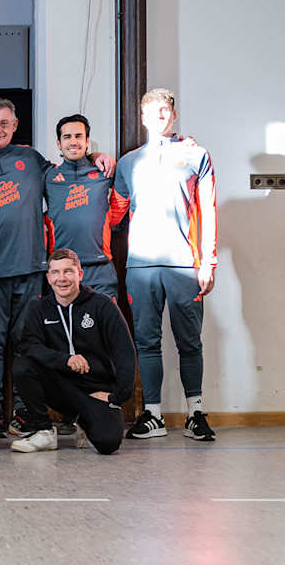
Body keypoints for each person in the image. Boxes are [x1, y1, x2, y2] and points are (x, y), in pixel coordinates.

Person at [0, 99, 112, 433]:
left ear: (15, 125)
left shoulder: (31, 159)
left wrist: (96, 156)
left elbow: (70, 166)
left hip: (31, 269)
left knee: (26, 344)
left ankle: (25, 414)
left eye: (5, 123)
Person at [115, 88, 218, 441]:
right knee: (146, 341)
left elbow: (209, 210)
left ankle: (195, 413)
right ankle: (153, 415)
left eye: (165, 111)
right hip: (140, 266)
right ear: (142, 118)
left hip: (183, 264)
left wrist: (208, 261)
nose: (159, 117)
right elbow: (114, 211)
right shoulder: (127, 163)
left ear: (172, 115)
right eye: (152, 112)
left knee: (190, 342)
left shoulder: (195, 154)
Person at [13, 250, 135, 455]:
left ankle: (84, 420)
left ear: (80, 274)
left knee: (108, 443)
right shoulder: (38, 308)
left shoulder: (102, 304)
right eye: (56, 272)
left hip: (96, 390)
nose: (62, 278)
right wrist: (66, 360)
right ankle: (43, 431)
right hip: (61, 387)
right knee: (23, 366)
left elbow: (125, 352)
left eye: (68, 271)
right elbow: (30, 346)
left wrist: (117, 396)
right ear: (48, 277)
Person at [43, 114, 128, 298]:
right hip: (62, 271)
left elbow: (121, 202)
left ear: (87, 141)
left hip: (100, 270)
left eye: (78, 136)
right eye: (67, 137)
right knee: (65, 327)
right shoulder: (48, 176)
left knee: (104, 326)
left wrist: (97, 156)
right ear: (58, 143)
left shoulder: (104, 171)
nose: (73, 141)